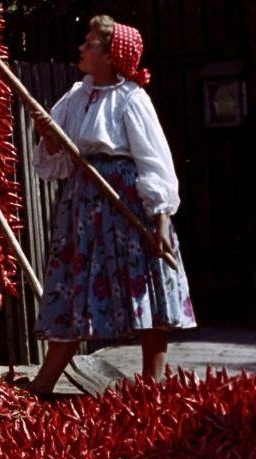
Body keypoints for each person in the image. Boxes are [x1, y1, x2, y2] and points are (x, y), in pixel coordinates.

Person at [29, 16, 196, 395]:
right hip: (83, 207)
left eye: (90, 44)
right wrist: (49, 138)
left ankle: (154, 383)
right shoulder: (75, 97)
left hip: (125, 205)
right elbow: (58, 163)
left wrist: (161, 221)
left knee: (145, 287)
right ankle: (44, 382)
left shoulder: (131, 99)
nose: (81, 48)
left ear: (110, 55)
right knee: (73, 288)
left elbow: (155, 163)